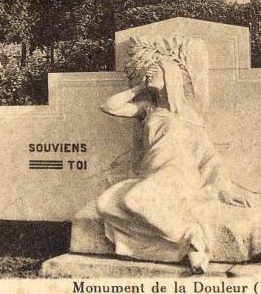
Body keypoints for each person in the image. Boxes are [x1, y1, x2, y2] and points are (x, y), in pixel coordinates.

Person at [96, 39, 250, 273]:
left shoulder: (186, 115)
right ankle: (182, 236)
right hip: (152, 174)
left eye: (155, 71)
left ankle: (192, 236)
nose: (149, 73)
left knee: (132, 200)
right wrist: (139, 89)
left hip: (177, 175)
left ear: (170, 77)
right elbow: (109, 106)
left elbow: (208, 155)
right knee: (105, 204)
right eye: (147, 71)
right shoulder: (148, 109)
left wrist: (224, 186)